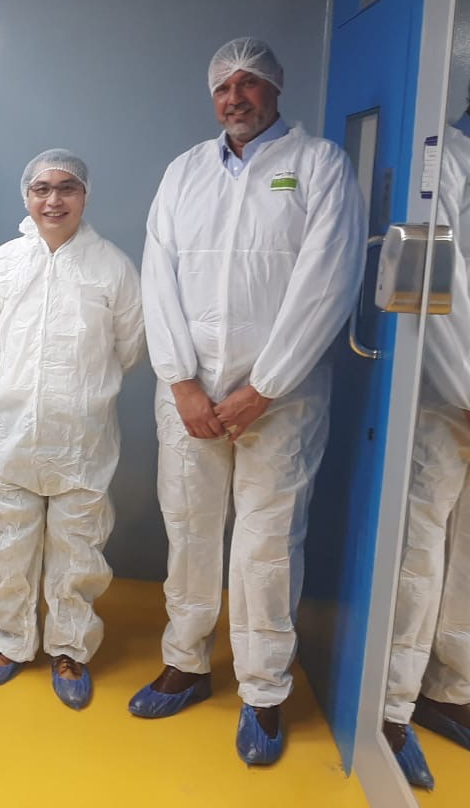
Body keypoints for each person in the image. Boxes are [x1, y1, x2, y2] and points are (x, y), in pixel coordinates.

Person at [135, 37, 366, 765]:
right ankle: (187, 661)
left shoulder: (319, 165)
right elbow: (157, 278)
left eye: (249, 84)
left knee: (267, 545)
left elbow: (328, 281)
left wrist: (264, 387)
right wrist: (181, 384)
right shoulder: (184, 173)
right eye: (223, 87)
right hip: (190, 398)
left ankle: (264, 691)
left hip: (282, 400)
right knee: (191, 532)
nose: (235, 97)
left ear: (276, 88)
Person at [0, 149, 143, 709]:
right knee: (9, 545)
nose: (53, 200)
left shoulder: (112, 266)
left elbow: (129, 345)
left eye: (66, 188)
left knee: (79, 548)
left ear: (84, 196)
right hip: (17, 428)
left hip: (83, 435)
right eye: (42, 189)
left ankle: (69, 648)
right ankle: (8, 641)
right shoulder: (3, 264)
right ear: (26, 196)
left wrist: (79, 391)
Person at [383, 54, 470, 789]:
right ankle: (390, 706)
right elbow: (430, 286)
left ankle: (453, 690)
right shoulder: (440, 160)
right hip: (449, 400)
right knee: (419, 557)